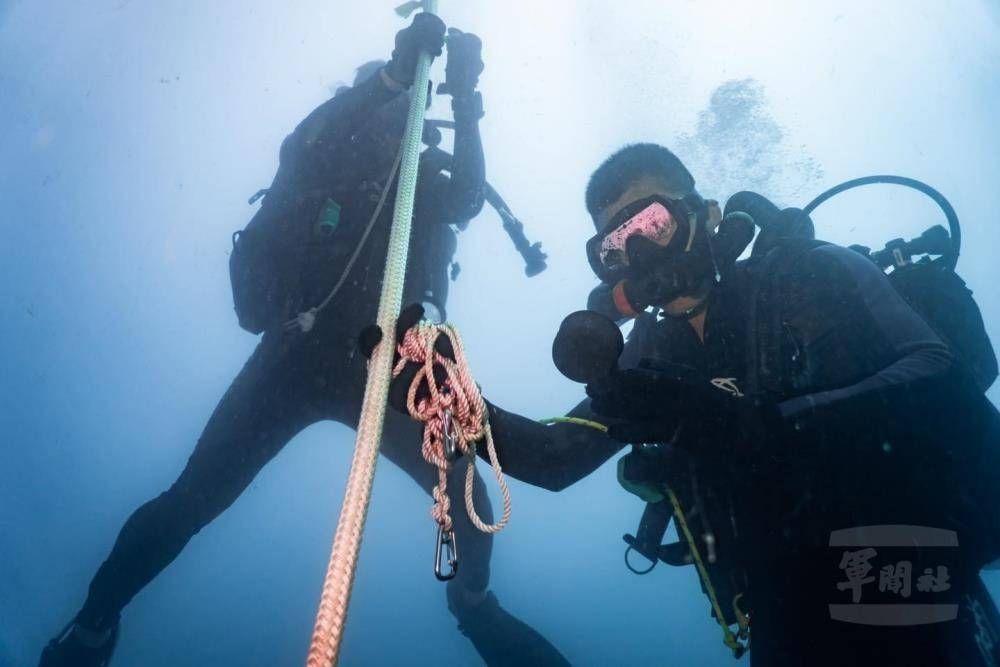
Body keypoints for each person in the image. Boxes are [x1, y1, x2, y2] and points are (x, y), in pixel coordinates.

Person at [41, 15, 568, 667]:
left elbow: (464, 198)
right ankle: (95, 622)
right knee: (193, 498)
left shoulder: (424, 180)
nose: (391, 119)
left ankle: (472, 603)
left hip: (396, 363)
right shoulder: (327, 157)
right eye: (382, 104)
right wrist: (391, 77)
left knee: (469, 495)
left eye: (405, 105)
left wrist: (464, 94)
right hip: (300, 352)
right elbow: (305, 143)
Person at [382, 143, 1000, 666]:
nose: (642, 255)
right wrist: (438, 390)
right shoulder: (651, 355)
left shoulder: (804, 278)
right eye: (617, 246)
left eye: (652, 224)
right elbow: (554, 458)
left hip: (912, 580)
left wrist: (742, 424)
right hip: (780, 613)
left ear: (701, 214)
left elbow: (936, 380)